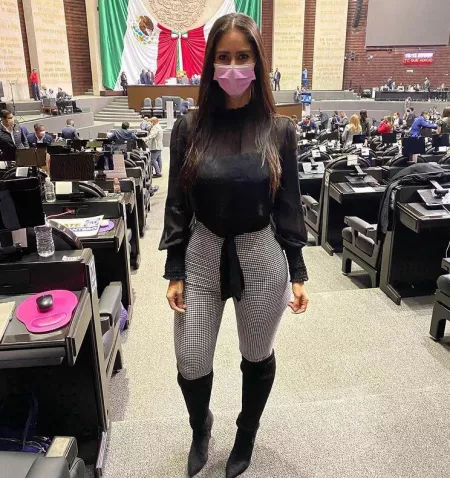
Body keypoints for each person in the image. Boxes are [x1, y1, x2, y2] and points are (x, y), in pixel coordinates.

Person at [159, 13, 309, 478]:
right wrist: (174, 268)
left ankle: (246, 434)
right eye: (223, 57)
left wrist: (298, 271)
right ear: (210, 63)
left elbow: (289, 204)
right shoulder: (189, 127)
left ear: (257, 62)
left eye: (243, 56)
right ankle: (200, 426)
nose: (233, 66)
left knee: (256, 354)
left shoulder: (279, 130)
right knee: (190, 359)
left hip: (261, 253)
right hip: (202, 251)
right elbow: (177, 202)